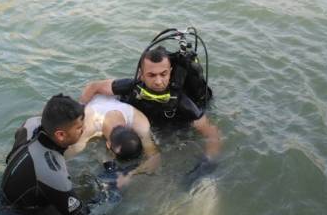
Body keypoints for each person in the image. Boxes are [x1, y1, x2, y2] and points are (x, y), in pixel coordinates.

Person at [79, 46, 221, 180]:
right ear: (141, 75)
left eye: (163, 74)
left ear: (170, 72)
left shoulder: (182, 103)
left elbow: (212, 133)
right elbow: (93, 87)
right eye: (151, 75)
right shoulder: (131, 87)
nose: (158, 81)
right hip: (141, 130)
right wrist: (79, 115)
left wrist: (206, 163)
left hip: (174, 131)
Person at [0, 94, 90, 215]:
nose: (84, 129)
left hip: (7, 189)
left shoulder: (30, 124)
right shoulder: (52, 172)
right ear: (60, 135)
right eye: (79, 128)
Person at [64, 95, 161, 187]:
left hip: (107, 103)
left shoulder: (140, 123)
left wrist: (129, 175)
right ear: (108, 144)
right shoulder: (87, 127)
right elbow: (68, 155)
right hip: (93, 103)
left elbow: (155, 158)